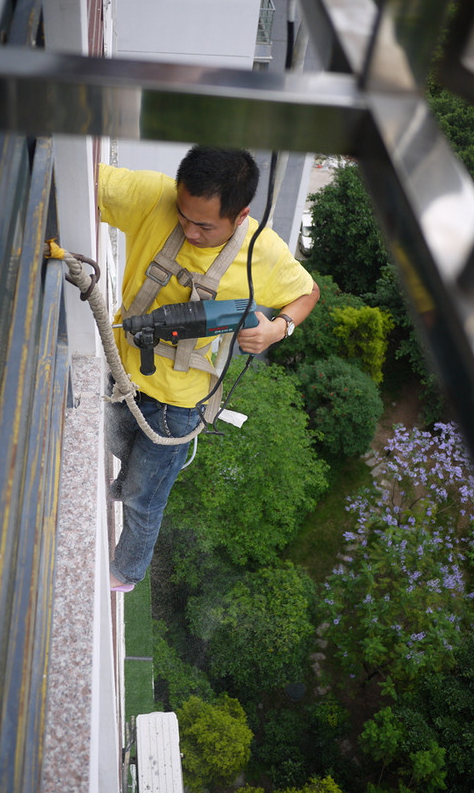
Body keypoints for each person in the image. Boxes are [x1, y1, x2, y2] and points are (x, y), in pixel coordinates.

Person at [98, 146, 319, 591]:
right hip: (120, 376)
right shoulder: (152, 197)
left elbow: (308, 292)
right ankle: (124, 480)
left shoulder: (264, 252)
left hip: (178, 406)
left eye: (204, 225)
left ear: (240, 217)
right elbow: (78, 178)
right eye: (183, 216)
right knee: (118, 457)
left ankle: (124, 574)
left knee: (144, 499)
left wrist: (278, 329)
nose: (189, 230)